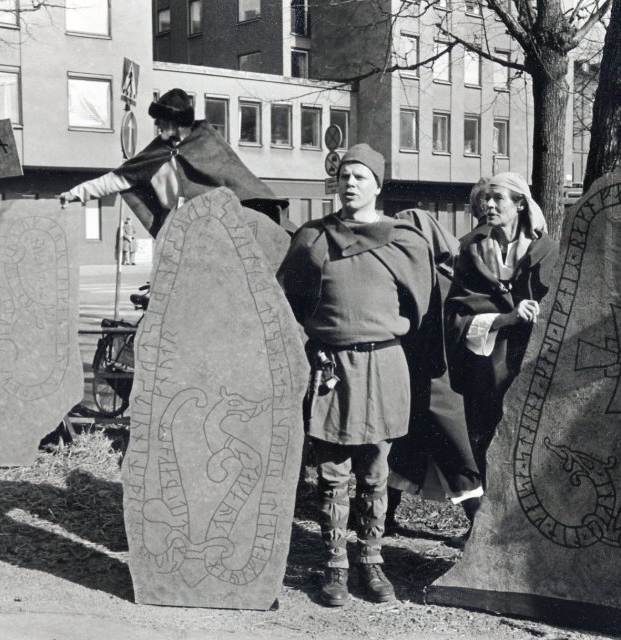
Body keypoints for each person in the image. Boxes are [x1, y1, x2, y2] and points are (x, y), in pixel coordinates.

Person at [277, 144, 432, 607]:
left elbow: (419, 306)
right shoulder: (313, 240)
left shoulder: (403, 241)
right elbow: (293, 301)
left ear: (378, 186)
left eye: (360, 177)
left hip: (384, 366)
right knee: (331, 473)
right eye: (344, 176)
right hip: (333, 369)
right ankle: (334, 566)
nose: (349, 183)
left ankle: (371, 559)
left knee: (375, 472)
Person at [444, 173, 558, 485]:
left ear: (520, 203)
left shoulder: (549, 252)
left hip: (529, 367)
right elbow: (456, 311)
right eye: (486, 198)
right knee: (484, 443)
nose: (489, 204)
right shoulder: (470, 249)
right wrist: (505, 318)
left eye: (499, 198)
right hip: (482, 369)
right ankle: (483, 528)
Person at [59, 88, 288, 237]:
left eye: (161, 119)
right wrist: (75, 193)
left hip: (215, 230)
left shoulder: (208, 143)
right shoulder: (157, 151)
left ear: (176, 121)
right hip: (177, 230)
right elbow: (116, 179)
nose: (157, 124)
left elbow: (240, 182)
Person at [384, 208, 483, 537]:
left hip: (441, 381)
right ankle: (379, 519)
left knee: (458, 455)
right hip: (414, 380)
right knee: (401, 452)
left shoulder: (448, 277)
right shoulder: (414, 274)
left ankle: (479, 528)